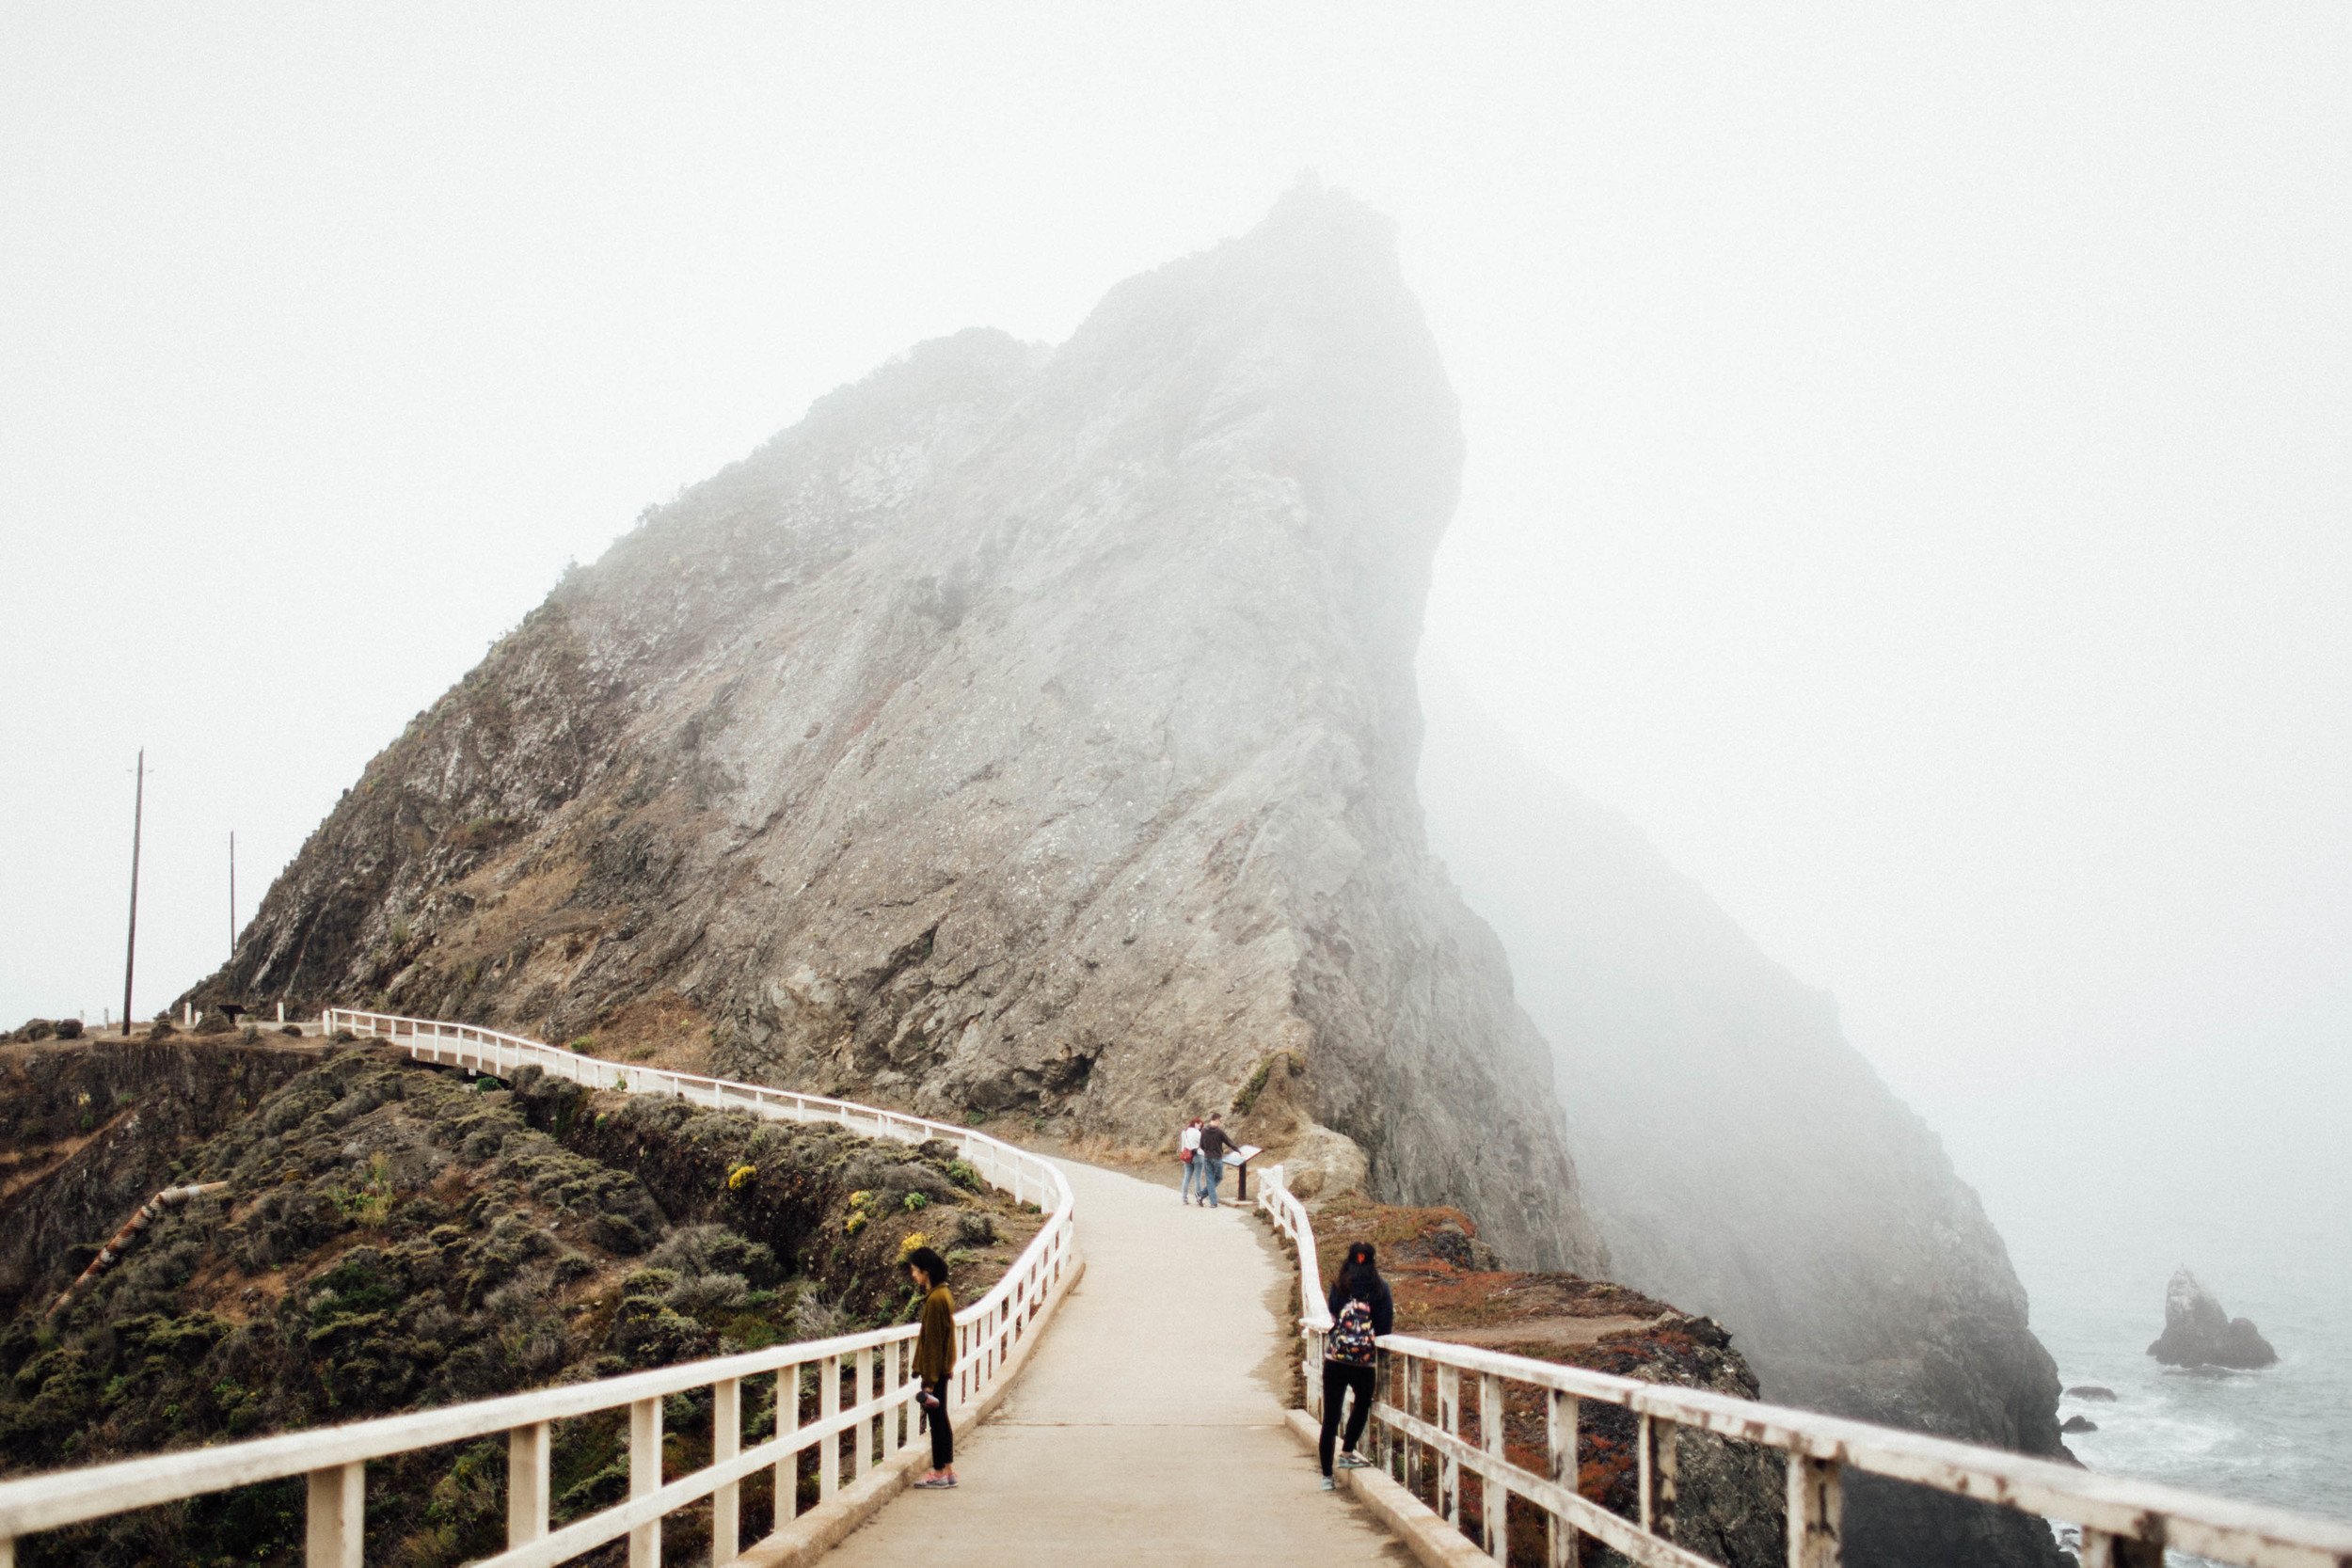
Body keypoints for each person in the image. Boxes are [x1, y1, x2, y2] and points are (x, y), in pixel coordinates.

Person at [1318, 1240, 1393, 1490]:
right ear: (1372, 1260)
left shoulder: (1339, 1287)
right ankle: (1347, 1452)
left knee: (1330, 1419)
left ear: (1349, 1259)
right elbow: (1384, 1329)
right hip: (1363, 1364)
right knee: (1362, 1404)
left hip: (1336, 1360)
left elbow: (1333, 1312)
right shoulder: (1380, 1289)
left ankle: (1327, 1478)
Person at [907, 1245, 959, 1488]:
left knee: (936, 1423)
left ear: (926, 1272)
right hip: (941, 1370)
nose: (914, 1276)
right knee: (941, 1420)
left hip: (935, 1372)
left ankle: (939, 1473)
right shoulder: (942, 1295)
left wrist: (928, 1380)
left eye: (916, 1271)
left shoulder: (936, 1299)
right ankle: (948, 1470)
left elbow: (934, 1343)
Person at [1196, 1114, 1233, 1208]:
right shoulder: (1219, 1132)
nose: (1220, 1123)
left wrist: (1207, 1151)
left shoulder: (1204, 1130)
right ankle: (1213, 1202)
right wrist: (1238, 1150)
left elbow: (1201, 1145)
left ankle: (1201, 1194)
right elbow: (1229, 1142)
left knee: (1210, 1179)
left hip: (1207, 1157)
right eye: (1220, 1121)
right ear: (1216, 1120)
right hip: (1217, 1157)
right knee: (1218, 1178)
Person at [1179, 1117, 1205, 1203]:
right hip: (1198, 1155)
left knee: (1187, 1177)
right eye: (1199, 1125)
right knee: (1197, 1178)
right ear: (1195, 1123)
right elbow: (1202, 1144)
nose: (1200, 1127)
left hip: (1187, 1156)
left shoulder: (1184, 1132)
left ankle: (1184, 1198)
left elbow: (1183, 1145)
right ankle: (1199, 1198)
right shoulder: (1197, 1133)